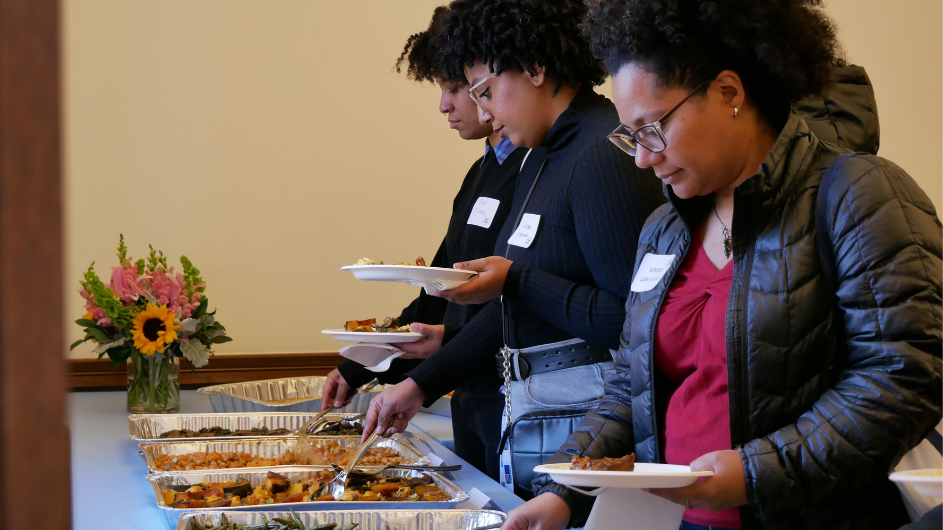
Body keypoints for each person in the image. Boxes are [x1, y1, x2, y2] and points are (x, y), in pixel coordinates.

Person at [505, 0, 943, 528]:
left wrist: (755, 473)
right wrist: (565, 490)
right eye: (630, 136)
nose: (642, 157)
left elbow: (901, 379)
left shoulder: (857, 194)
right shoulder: (664, 229)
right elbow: (629, 386)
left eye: (652, 128)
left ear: (729, 93)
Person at [361, 0, 665, 496]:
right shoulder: (539, 157)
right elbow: (511, 308)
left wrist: (518, 279)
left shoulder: (600, 153)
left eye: (486, 91)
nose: (484, 112)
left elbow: (632, 324)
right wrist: (420, 384)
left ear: (536, 68)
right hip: (533, 416)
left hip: (589, 429)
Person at [319, 5, 527, 481]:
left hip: (509, 395)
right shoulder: (481, 171)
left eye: (455, 89)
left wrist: (431, 364)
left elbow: (515, 305)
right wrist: (360, 364)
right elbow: (432, 291)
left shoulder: (532, 170)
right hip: (469, 393)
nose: (445, 105)